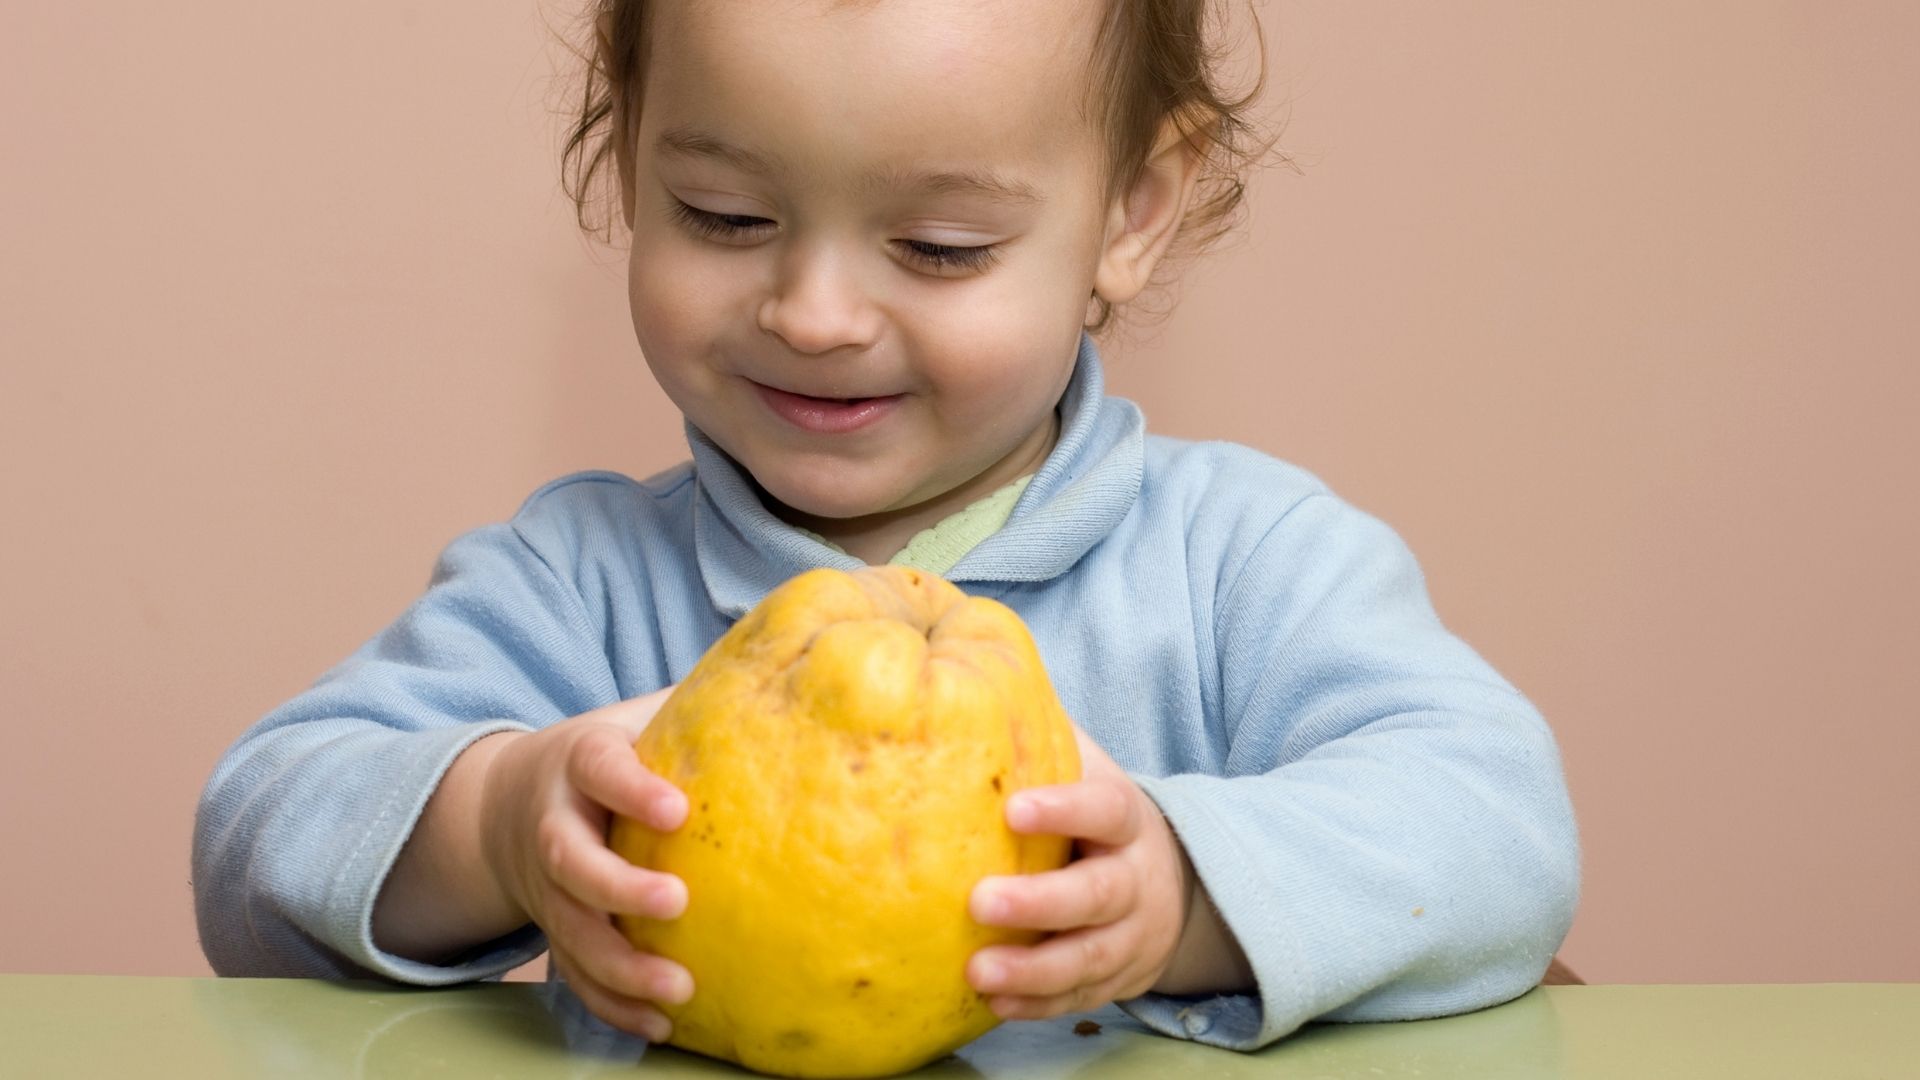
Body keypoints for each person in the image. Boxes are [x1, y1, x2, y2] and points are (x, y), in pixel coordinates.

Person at [193, 0, 1579, 1052]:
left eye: (939, 248)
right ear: (625, 156)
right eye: (724, 215)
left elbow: (1500, 826)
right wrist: (499, 824)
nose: (815, 313)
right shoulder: (583, 585)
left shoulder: (1243, 566)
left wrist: (1181, 895)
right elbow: (255, 844)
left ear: (1133, 213)